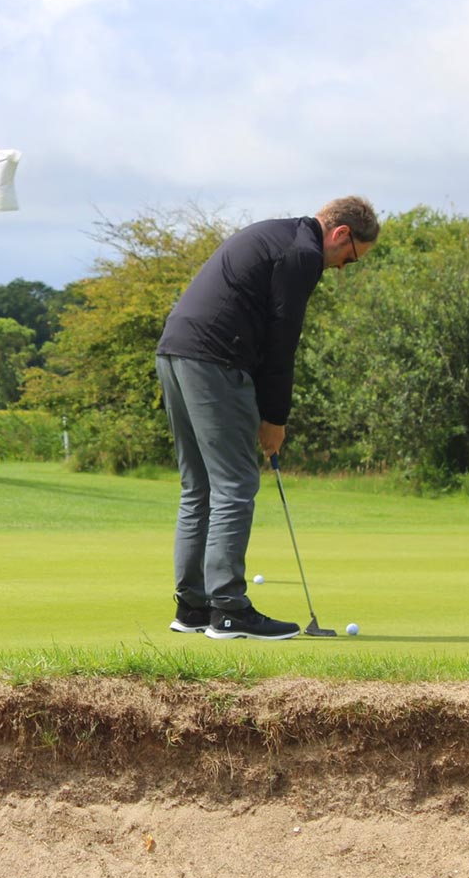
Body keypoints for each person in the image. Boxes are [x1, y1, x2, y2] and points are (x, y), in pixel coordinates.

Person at [155, 196, 379, 639]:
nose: (340, 268)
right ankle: (229, 609)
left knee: (198, 485)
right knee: (235, 486)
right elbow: (282, 343)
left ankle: (194, 606)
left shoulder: (277, 232)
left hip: (175, 351)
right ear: (341, 234)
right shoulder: (304, 254)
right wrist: (275, 417)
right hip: (215, 359)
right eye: (349, 259)